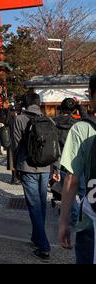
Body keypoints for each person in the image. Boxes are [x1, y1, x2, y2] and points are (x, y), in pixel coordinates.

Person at [59, 74, 96, 264]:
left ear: (91, 94)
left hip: (90, 221)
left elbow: (70, 179)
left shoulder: (82, 129)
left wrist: (64, 222)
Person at [12, 93, 52, 261]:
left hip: (28, 167)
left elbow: (15, 143)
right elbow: (53, 145)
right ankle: (37, 238)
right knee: (41, 204)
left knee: (34, 206)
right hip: (45, 167)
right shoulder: (48, 120)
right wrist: (54, 168)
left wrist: (16, 167)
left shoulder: (19, 119)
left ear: (25, 104)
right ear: (39, 103)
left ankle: (44, 246)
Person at [53, 98, 85, 225]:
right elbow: (87, 119)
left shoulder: (54, 122)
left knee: (68, 191)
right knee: (82, 191)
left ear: (61, 108)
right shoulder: (77, 123)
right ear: (73, 110)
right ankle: (84, 216)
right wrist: (80, 107)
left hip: (62, 160)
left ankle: (75, 216)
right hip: (78, 159)